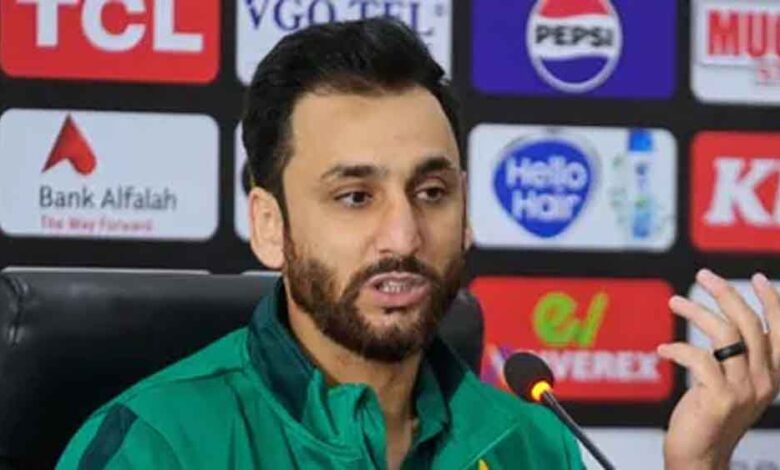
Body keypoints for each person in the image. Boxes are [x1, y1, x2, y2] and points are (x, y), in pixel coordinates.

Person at [57, 18, 780, 470]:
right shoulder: (156, 445)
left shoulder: (532, 443)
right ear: (271, 226)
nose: (403, 235)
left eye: (431, 192)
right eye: (355, 196)